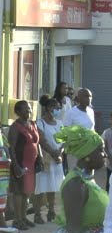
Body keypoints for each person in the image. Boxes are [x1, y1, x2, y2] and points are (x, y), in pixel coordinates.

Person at [50, 126, 109, 233]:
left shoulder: (87, 180)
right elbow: (73, 231)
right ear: (87, 154)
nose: (105, 154)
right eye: (101, 150)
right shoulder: (76, 184)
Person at [7, 101, 41, 230]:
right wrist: (16, 166)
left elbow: (37, 143)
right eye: (26, 109)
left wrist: (40, 158)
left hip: (31, 164)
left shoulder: (33, 124)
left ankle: (24, 217)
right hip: (20, 163)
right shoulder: (15, 127)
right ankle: (17, 220)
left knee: (27, 192)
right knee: (18, 192)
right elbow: (12, 147)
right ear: (18, 112)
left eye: (30, 109)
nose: (29, 111)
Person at [33, 95, 64, 224]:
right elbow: (41, 140)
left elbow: (64, 139)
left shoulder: (60, 123)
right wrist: (53, 153)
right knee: (41, 186)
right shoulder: (40, 122)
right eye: (56, 108)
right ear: (48, 108)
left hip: (57, 159)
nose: (57, 110)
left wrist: (59, 153)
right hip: (45, 159)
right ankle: (37, 214)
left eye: (58, 108)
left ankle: (51, 211)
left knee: (53, 186)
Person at [0, 133, 11, 230]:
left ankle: (2, 221)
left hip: (3, 171)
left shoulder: (1, 135)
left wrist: (8, 158)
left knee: (2, 195)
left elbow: (7, 148)